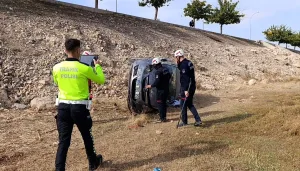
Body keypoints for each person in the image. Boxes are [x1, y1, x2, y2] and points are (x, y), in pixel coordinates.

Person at [52, 39, 106, 171]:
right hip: (79, 108)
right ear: (78, 51)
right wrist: (97, 66)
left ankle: (59, 169)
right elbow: (101, 80)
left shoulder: (56, 68)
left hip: (63, 108)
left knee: (63, 142)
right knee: (87, 136)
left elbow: (56, 82)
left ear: (65, 50)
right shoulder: (84, 68)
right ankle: (93, 163)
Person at [174, 49, 202, 127]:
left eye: (176, 57)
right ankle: (198, 120)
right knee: (189, 104)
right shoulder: (189, 62)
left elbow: (185, 79)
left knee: (182, 104)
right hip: (192, 86)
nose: (175, 59)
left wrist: (186, 90)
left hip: (187, 88)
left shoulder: (183, 65)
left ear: (179, 56)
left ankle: (184, 122)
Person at [145, 57, 171, 122]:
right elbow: (169, 77)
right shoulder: (166, 69)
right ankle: (164, 117)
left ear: (156, 64)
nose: (154, 67)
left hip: (160, 91)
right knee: (164, 104)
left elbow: (157, 82)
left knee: (160, 104)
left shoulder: (158, 72)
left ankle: (162, 118)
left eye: (154, 65)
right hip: (166, 89)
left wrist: (150, 86)